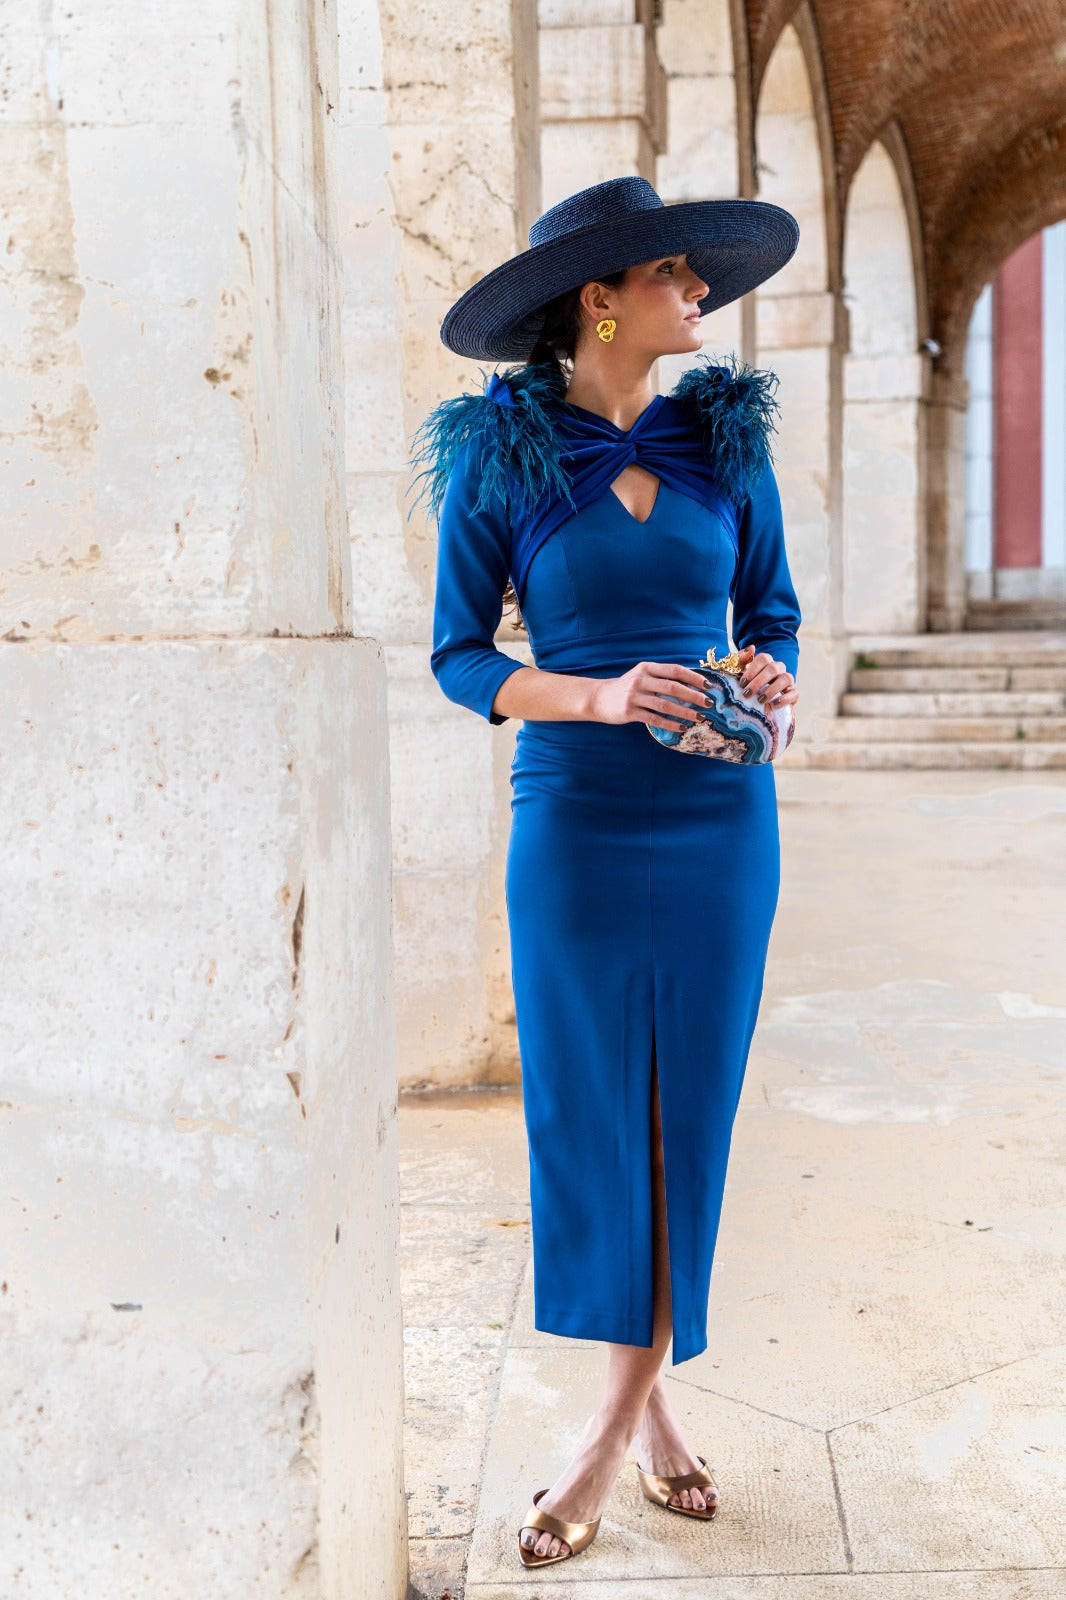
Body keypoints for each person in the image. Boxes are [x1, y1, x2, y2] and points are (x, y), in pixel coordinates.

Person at [413, 176, 802, 1569]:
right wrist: (596, 695)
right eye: (672, 275)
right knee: (593, 1117)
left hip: (718, 817)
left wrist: (772, 678)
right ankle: (644, 1419)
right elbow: (461, 656)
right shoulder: (497, 455)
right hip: (573, 817)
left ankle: (604, 1433)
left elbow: (773, 612)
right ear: (600, 299)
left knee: (684, 1113)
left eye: (695, 275)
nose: (698, 293)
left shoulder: (726, 440)